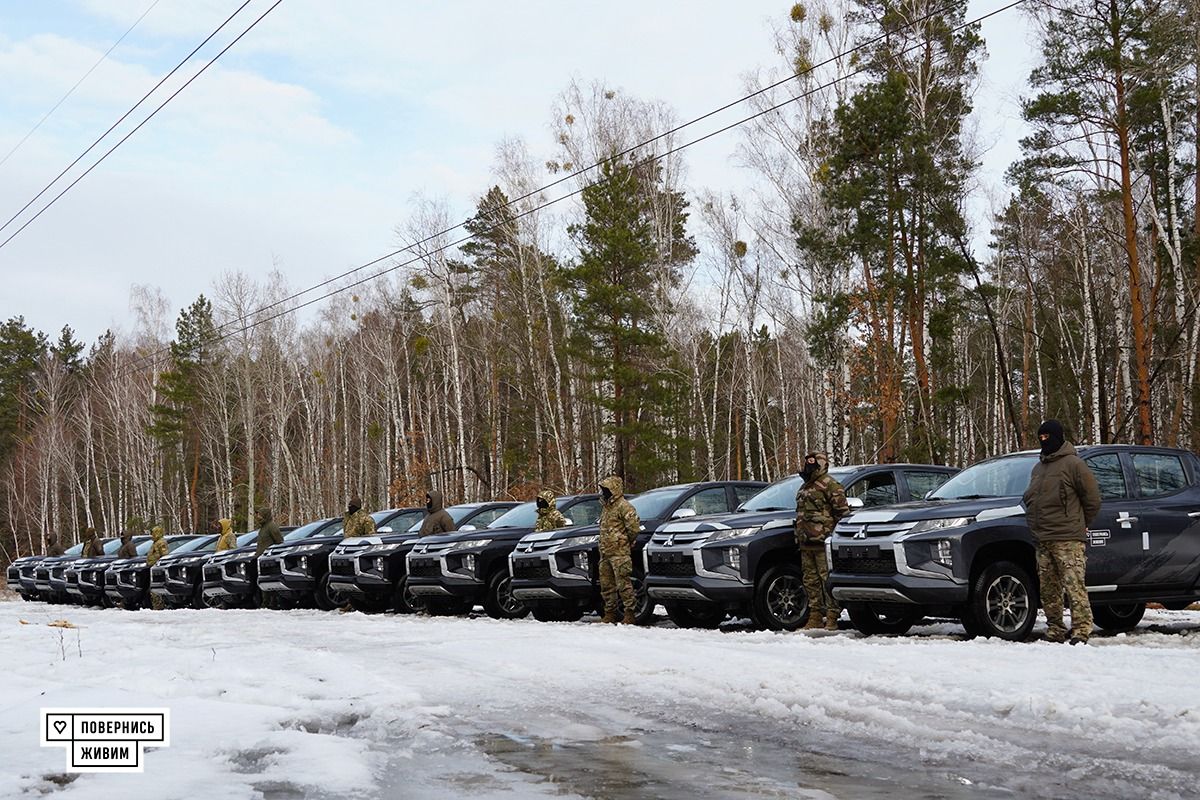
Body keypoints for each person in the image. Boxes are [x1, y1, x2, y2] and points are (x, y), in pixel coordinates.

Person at [1022, 419, 1101, 644]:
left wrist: (1081, 523)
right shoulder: (1038, 468)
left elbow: (1092, 498)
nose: (1044, 441)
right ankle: (1055, 629)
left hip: (1068, 537)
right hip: (1043, 537)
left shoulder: (1074, 464)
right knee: (1049, 589)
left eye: (1048, 437)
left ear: (1057, 437)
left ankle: (1081, 630)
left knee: (1074, 585)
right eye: (1041, 438)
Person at [795, 452, 850, 631]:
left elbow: (843, 514)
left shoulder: (831, 485)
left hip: (823, 542)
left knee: (827, 579)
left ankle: (833, 616)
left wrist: (835, 539)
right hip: (805, 542)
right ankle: (815, 616)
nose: (808, 466)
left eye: (813, 463)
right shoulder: (804, 487)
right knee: (810, 580)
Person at [597, 475, 639, 625]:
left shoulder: (624, 506)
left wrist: (625, 541)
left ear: (614, 489)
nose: (604, 492)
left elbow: (633, 528)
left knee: (624, 584)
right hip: (605, 552)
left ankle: (630, 613)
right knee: (606, 585)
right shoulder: (606, 508)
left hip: (619, 553)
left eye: (607, 489)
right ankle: (610, 613)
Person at [146, 526, 169, 610]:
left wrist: (159, 565)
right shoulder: (155, 542)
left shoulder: (161, 542)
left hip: (157, 568)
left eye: (153, 533)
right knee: (153, 588)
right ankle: (156, 605)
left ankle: (159, 606)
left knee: (156, 588)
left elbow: (164, 555)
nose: (151, 535)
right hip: (152, 567)